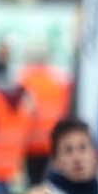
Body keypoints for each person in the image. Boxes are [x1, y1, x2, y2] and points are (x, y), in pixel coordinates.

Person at [17, 44, 72, 186]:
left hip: (31, 140)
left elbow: (22, 110)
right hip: (53, 139)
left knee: (34, 182)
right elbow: (65, 109)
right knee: (50, 183)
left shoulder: (25, 79)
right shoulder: (59, 79)